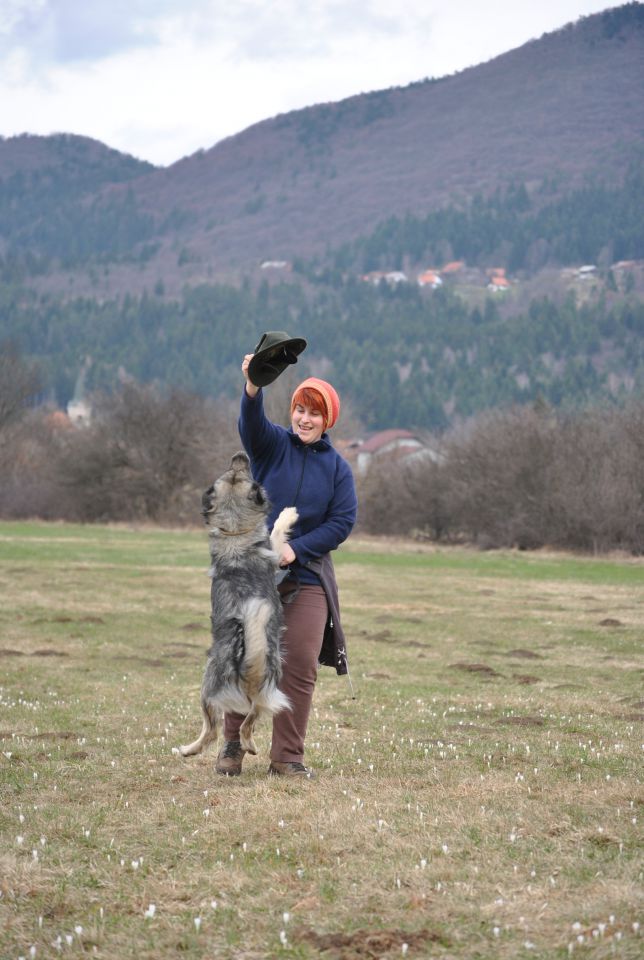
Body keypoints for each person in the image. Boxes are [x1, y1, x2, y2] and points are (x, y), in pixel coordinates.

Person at [216, 354, 358, 778]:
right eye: (300, 408)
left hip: (307, 574)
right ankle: (231, 744)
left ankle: (287, 758)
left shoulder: (337, 469)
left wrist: (301, 549)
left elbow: (342, 521)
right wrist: (253, 386)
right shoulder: (271, 444)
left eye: (314, 412)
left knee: (298, 661)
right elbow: (249, 423)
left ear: (327, 418)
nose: (305, 418)